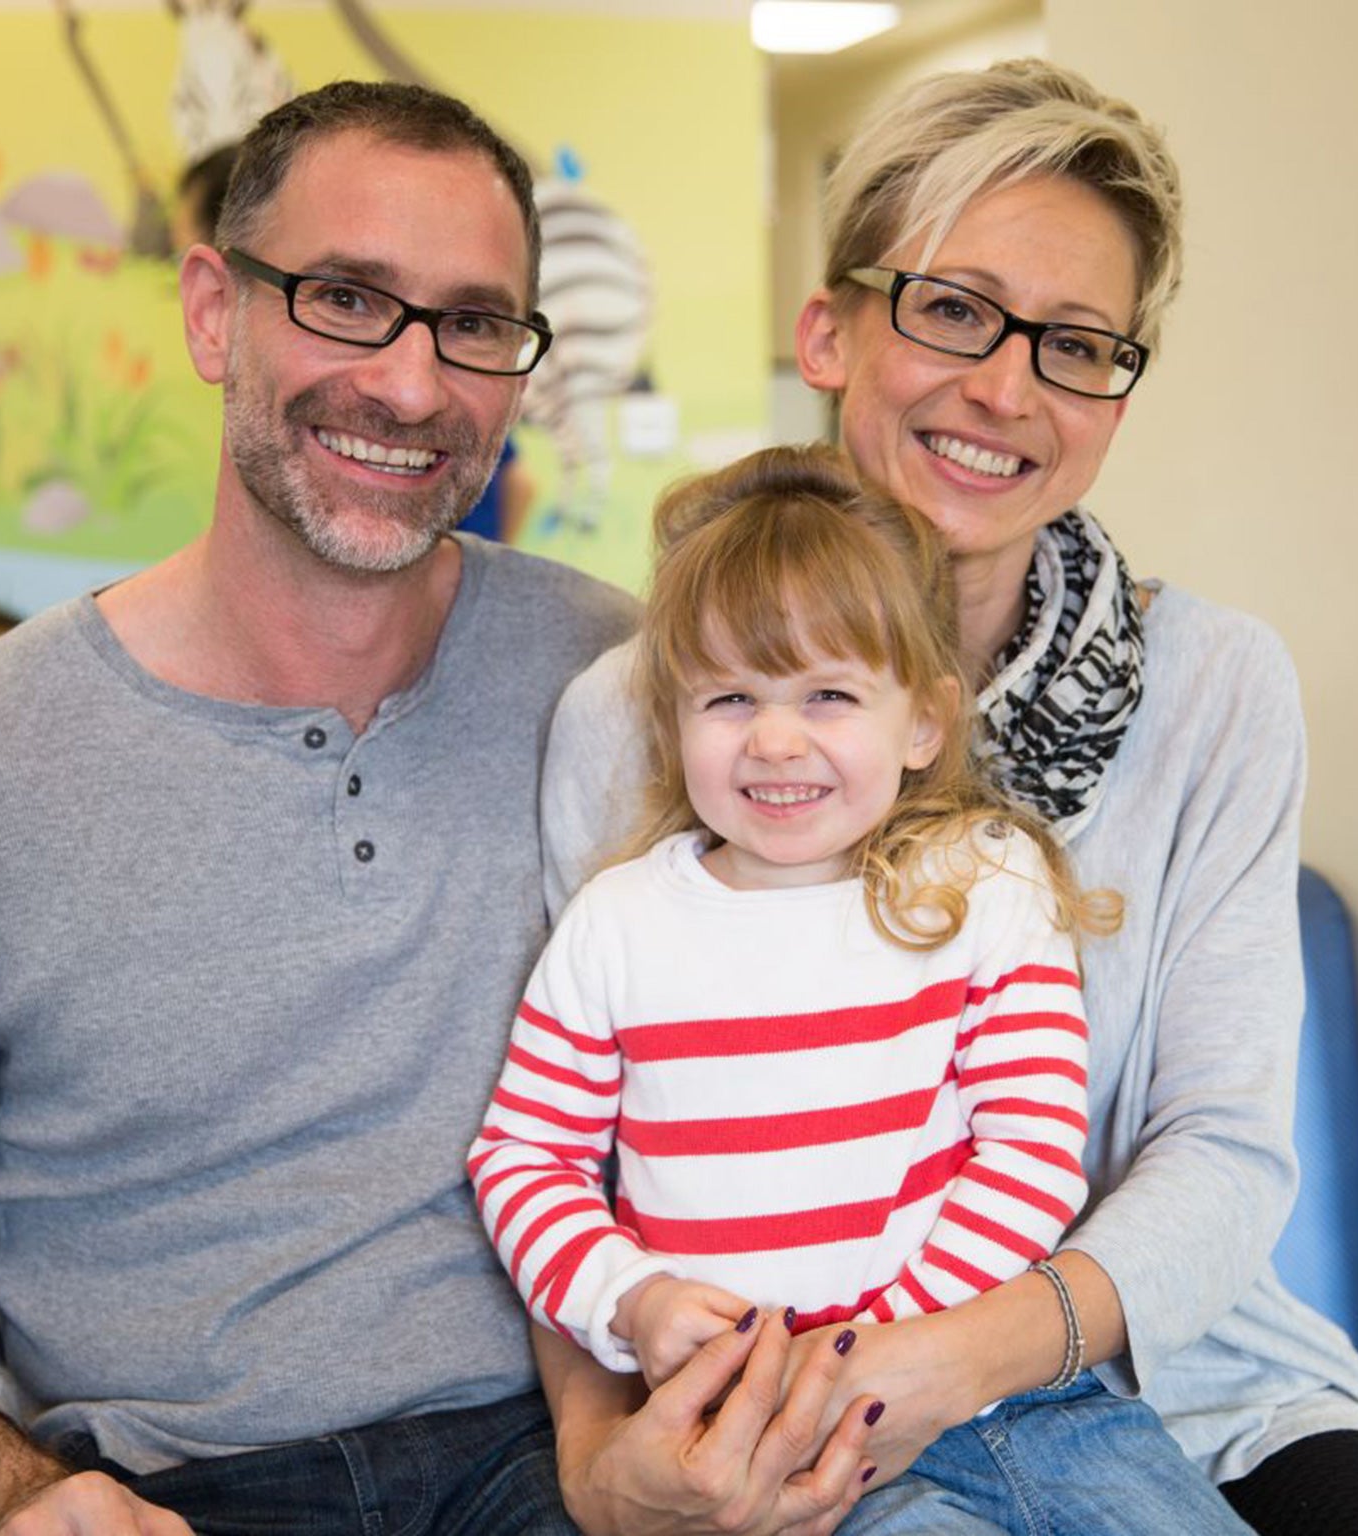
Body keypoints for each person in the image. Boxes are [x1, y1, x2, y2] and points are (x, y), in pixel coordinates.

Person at [537, 59, 1358, 1536]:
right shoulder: (642, 715)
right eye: (955, 309)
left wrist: (953, 1357)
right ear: (829, 329)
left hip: (1197, 1381)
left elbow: (1225, 1149)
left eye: (1078, 344)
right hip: (777, 1402)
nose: (1006, 387)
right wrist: (602, 1466)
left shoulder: (1219, 686)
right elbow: (568, 1150)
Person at [0, 80, 685, 1536]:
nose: (414, 384)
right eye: (346, 298)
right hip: (182, 1492)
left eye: (476, 323)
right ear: (211, 313)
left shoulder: (629, 686)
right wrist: (12, 1500)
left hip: (563, 1461)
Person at [474, 445, 1253, 1536]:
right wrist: (629, 1301)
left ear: (923, 723)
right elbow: (525, 1158)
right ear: (671, 720)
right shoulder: (617, 925)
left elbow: (1028, 1153)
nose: (777, 739)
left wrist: (877, 1350)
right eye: (730, 696)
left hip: (1004, 1399)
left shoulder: (983, 882)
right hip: (747, 1432)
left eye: (829, 694)